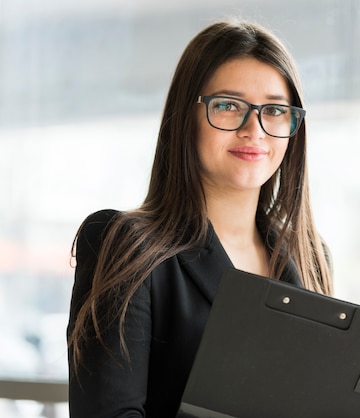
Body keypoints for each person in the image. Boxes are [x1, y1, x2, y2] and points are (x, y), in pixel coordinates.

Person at [66, 19, 333, 417]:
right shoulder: (125, 244)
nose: (254, 130)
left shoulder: (309, 257)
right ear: (186, 115)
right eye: (228, 105)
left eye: (275, 110)